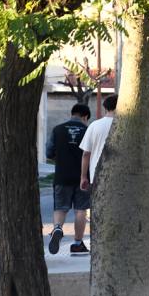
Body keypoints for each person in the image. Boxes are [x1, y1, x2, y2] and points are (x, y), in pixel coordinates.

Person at [45, 103, 92, 254]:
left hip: (61, 176)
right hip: (83, 177)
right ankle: (77, 244)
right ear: (85, 117)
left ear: (72, 113)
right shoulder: (87, 130)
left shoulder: (57, 129)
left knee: (60, 207)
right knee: (80, 210)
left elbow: (49, 152)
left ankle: (57, 228)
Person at [80, 95, 117, 192]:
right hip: (120, 176)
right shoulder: (126, 126)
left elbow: (86, 154)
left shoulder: (94, 126)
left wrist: (83, 177)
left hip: (96, 176)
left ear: (105, 108)